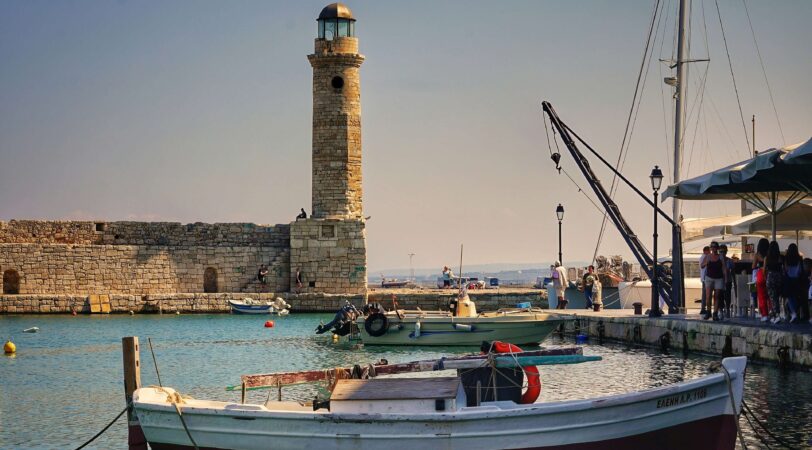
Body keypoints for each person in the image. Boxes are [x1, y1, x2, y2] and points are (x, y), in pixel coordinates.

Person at [700, 241, 727, 321]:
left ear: (717, 248)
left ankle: (715, 313)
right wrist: (705, 263)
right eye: (712, 247)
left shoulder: (720, 257)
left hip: (719, 278)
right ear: (711, 248)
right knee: (708, 296)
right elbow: (702, 266)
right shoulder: (708, 256)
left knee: (717, 296)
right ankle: (708, 311)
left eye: (715, 247)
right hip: (709, 278)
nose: (713, 248)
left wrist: (725, 279)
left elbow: (724, 268)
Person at [764, 240, 784, 324]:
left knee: (773, 298)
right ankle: (776, 314)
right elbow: (784, 269)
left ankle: (777, 315)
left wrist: (766, 278)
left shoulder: (767, 258)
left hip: (770, 278)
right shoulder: (781, 257)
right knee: (778, 297)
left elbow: (764, 270)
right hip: (779, 278)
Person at [783, 243, 803, 323]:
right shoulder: (799, 258)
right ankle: (795, 313)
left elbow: (785, 269)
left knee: (789, 296)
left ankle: (793, 313)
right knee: (794, 296)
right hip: (797, 280)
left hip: (788, 279)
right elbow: (800, 270)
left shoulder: (786, 258)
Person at [753, 238, 770, 321]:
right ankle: (772, 313)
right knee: (769, 296)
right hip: (769, 274)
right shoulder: (770, 254)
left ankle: (764, 315)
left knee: (761, 296)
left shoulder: (757, 254)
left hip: (760, 274)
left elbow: (753, 266)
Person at [719, 245, 735, 319]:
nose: (722, 253)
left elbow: (732, 271)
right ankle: (721, 309)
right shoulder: (717, 260)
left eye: (724, 252)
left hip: (728, 280)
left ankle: (727, 308)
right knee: (720, 295)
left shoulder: (730, 261)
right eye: (721, 252)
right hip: (719, 280)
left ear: (726, 252)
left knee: (727, 296)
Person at [699, 246, 711, 316]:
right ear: (705, 251)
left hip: (704, 278)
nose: (710, 252)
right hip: (705, 278)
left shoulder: (703, 257)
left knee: (705, 294)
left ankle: (704, 308)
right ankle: (703, 308)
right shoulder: (704, 257)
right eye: (709, 251)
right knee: (705, 294)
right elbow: (702, 266)